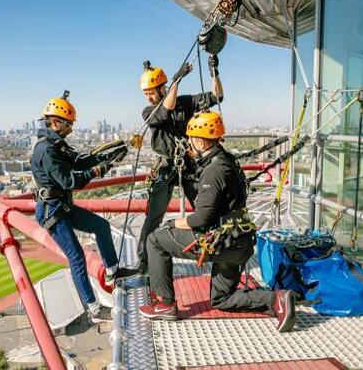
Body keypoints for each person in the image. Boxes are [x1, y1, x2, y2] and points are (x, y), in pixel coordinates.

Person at [138, 112, 296, 333]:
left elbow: (200, 219)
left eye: (191, 139)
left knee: (155, 240)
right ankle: (277, 299)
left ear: (201, 141)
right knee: (222, 298)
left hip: (223, 241)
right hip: (238, 242)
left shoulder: (214, 170)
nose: (189, 144)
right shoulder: (226, 160)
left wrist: (172, 224)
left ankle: (165, 304)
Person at [31, 91, 138, 322]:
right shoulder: (47, 150)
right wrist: (100, 170)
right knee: (76, 256)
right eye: (68, 124)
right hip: (53, 213)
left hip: (62, 206)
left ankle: (113, 272)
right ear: (55, 122)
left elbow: (80, 160)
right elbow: (71, 181)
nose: (71, 128)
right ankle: (94, 309)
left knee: (101, 226)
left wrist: (108, 155)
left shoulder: (56, 144)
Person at [136, 55, 224, 273]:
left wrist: (214, 71)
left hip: (188, 164)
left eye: (150, 92)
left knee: (204, 208)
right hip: (165, 168)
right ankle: (144, 261)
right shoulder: (149, 112)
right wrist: (176, 82)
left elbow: (218, 96)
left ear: (160, 88)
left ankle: (213, 247)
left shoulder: (185, 102)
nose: (148, 97)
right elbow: (165, 112)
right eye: (145, 94)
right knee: (154, 215)